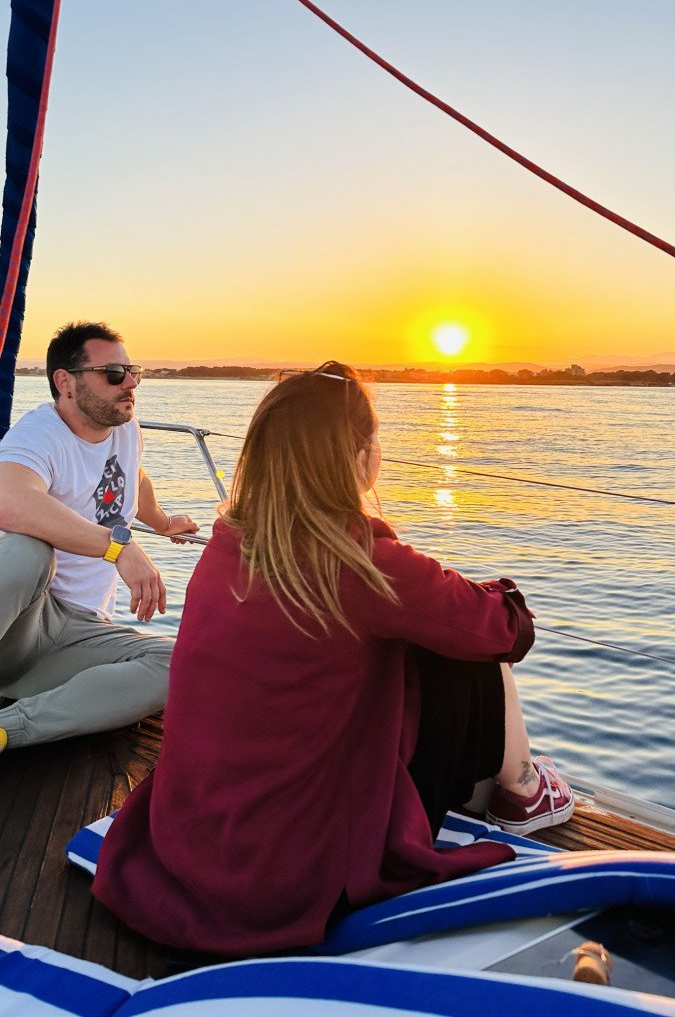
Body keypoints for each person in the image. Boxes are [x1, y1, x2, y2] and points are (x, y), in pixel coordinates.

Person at [93, 361, 573, 958]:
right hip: (283, 873)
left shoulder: (228, 543)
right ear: (360, 457)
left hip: (193, 841)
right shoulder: (359, 561)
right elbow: (505, 630)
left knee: (425, 633)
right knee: (472, 643)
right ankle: (523, 789)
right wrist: (473, 589)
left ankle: (501, 785)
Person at [0, 320, 199, 750]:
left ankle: (8, 730)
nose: (131, 383)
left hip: (80, 631)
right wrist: (118, 548)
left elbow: (134, 477)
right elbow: (9, 498)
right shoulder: (40, 434)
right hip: (22, 621)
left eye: (133, 371)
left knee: (179, 663)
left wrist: (162, 522)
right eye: (114, 374)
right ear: (65, 382)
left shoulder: (125, 427)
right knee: (29, 552)